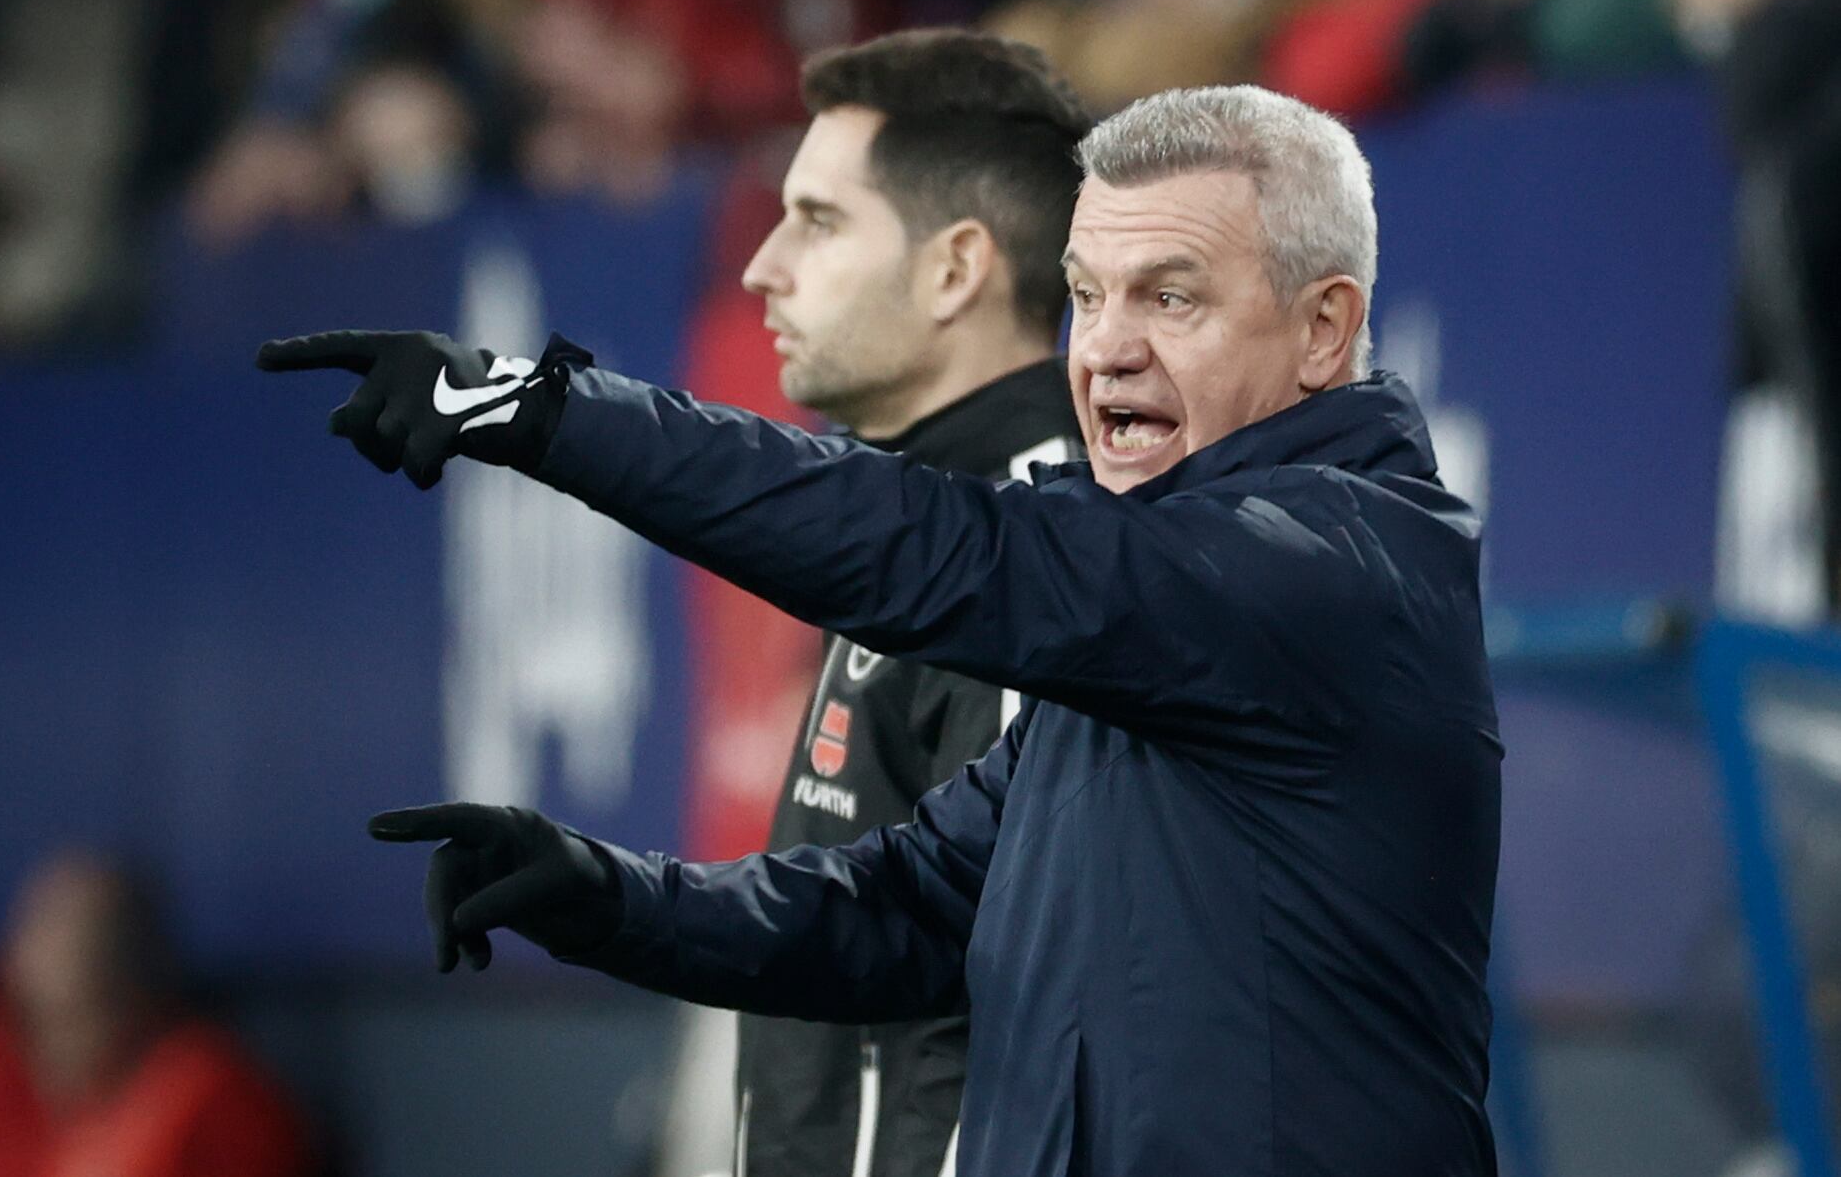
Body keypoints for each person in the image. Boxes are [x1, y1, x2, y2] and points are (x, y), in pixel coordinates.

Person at [259, 82, 1503, 1176]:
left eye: (1170, 297)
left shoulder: (1333, 571)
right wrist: (606, 899)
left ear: (1325, 328)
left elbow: (950, 550)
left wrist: (539, 412)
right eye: (1085, 297)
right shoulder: (1159, 612)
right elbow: (902, 911)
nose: (1108, 352)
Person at [705, 30, 1087, 1177]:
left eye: (819, 221)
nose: (762, 266)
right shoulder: (912, 532)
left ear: (956, 268)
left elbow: (1037, 1018)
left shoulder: (1031, 569)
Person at [0, 850, 313, 1177]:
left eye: (92, 1016)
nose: (65, 1052)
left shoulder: (210, 1104)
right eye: (45, 1028)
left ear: (146, 1000)